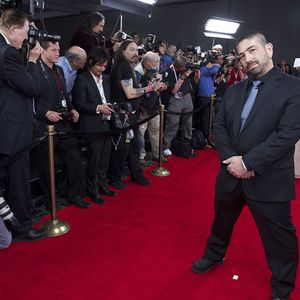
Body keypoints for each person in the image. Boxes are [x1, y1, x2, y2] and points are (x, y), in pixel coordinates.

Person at [191, 32, 300, 300]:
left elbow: (287, 134)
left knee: (280, 237)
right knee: (221, 222)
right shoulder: (234, 89)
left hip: (269, 179)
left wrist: (249, 162)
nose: (247, 59)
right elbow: (220, 127)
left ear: (269, 49)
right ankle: (215, 255)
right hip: (230, 174)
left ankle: (283, 285)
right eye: (242, 55)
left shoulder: (293, 87)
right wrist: (232, 162)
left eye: (252, 51)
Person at [0, 9, 46, 241]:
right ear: (14, 29)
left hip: (8, 125)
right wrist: (32, 61)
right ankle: (22, 227)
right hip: (12, 128)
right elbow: (32, 88)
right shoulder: (7, 52)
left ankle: (15, 222)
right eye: (26, 31)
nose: (28, 37)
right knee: (18, 180)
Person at [34, 41, 88, 209]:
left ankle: (75, 194)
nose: (58, 53)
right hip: (44, 125)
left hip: (63, 123)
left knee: (75, 159)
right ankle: (50, 199)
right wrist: (45, 113)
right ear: (43, 50)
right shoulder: (34, 69)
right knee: (46, 165)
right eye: (54, 50)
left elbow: (63, 93)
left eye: (58, 49)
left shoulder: (58, 70)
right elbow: (30, 98)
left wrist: (72, 109)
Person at [109, 40, 158, 189]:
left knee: (133, 147)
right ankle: (116, 178)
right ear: (123, 51)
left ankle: (135, 174)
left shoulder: (126, 66)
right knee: (122, 149)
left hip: (130, 115)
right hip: (123, 116)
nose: (135, 53)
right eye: (131, 49)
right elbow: (130, 93)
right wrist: (149, 88)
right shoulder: (123, 66)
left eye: (136, 50)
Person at [72, 47, 116, 203]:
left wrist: (109, 106)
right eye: (99, 65)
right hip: (91, 126)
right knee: (95, 159)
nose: (102, 69)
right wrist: (98, 108)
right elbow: (79, 103)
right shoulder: (82, 79)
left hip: (106, 123)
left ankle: (103, 184)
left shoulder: (107, 79)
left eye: (105, 66)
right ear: (90, 62)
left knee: (105, 158)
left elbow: (106, 98)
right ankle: (92, 189)